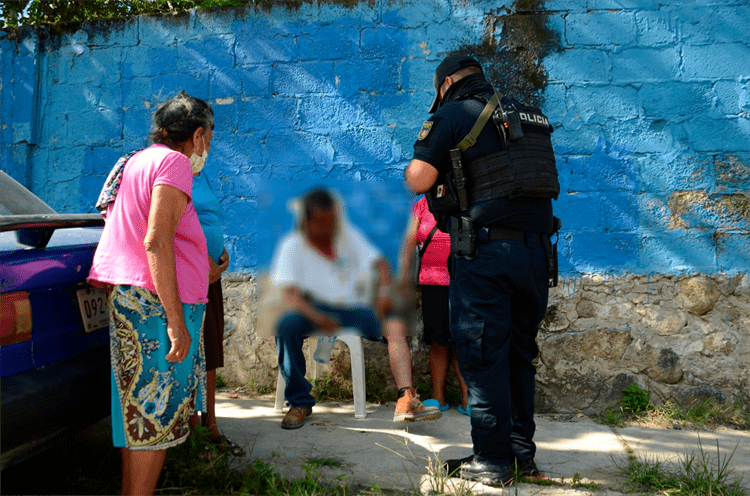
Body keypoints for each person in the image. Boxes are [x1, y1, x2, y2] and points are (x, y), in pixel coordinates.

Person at [404, 54, 559, 486]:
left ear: (448, 82)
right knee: (518, 355)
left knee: (481, 354)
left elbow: (418, 179)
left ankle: (492, 462)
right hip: (536, 254)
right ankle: (520, 456)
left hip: (487, 252)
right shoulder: (529, 114)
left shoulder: (454, 113)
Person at [89, 91, 213, 496]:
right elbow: (156, 241)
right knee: (154, 421)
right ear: (197, 135)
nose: (207, 148)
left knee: (137, 418)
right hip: (156, 306)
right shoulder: (174, 163)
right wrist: (177, 323)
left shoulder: (135, 161)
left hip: (132, 298)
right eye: (208, 138)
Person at [271, 187, 442, 429]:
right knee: (285, 327)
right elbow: (291, 296)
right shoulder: (292, 246)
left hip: (351, 308)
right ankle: (299, 401)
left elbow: (381, 265)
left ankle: (406, 398)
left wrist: (384, 293)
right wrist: (318, 317)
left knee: (394, 325)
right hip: (312, 309)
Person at [188, 142, 245, 456]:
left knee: (210, 351)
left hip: (211, 276)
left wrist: (219, 253)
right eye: (204, 140)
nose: (207, 148)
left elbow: (206, 220)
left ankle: (210, 423)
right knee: (190, 352)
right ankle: (192, 427)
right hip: (188, 275)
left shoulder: (201, 174)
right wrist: (201, 260)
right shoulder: (171, 172)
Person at [397, 196, 469, 415]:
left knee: (463, 341)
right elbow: (409, 243)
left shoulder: (469, 199)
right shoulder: (421, 205)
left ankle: (469, 399)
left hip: (465, 281)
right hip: (432, 282)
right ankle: (438, 397)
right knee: (437, 340)